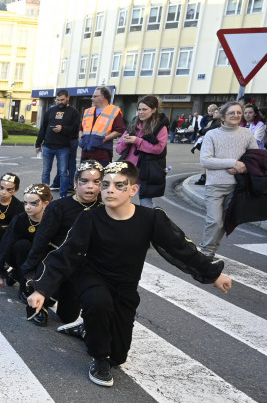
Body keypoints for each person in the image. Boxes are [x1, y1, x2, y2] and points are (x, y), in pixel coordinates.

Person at [27, 161, 232, 387]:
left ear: (134, 190)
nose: (109, 190)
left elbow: (181, 249)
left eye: (119, 185)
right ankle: (98, 358)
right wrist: (42, 288)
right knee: (98, 304)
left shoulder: (151, 218)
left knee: (119, 357)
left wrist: (212, 274)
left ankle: (90, 328)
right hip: (92, 278)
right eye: (105, 185)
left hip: (125, 286)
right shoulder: (89, 218)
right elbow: (66, 254)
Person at [20, 160, 103, 327]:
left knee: (68, 317)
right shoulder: (59, 206)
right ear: (75, 182)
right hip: (55, 261)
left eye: (96, 182)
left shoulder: (104, 207)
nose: (90, 187)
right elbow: (42, 238)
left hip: (82, 266)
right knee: (38, 301)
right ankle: (43, 299)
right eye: (84, 182)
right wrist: (30, 268)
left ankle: (55, 293)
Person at [198, 101, 259, 257]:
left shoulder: (247, 134)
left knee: (224, 223)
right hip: (215, 185)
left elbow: (255, 158)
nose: (236, 115)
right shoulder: (212, 134)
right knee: (214, 221)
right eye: (232, 113)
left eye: (239, 112)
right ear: (223, 117)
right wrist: (233, 163)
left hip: (237, 186)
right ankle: (205, 252)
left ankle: (209, 253)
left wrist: (243, 167)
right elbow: (205, 161)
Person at [0, 183, 53, 295]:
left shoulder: (51, 221)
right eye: (25, 203)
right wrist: (0, 272)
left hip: (39, 258)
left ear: (45, 204)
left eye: (33, 203)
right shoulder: (19, 219)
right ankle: (23, 286)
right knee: (23, 245)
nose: (27, 207)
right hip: (18, 255)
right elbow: (5, 244)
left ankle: (15, 274)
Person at [114, 95, 168, 208]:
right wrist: (125, 142)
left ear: (154, 110)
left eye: (144, 109)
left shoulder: (160, 127)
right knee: (118, 202)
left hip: (146, 173)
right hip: (128, 172)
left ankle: (147, 224)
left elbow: (158, 149)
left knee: (146, 205)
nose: (141, 112)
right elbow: (118, 149)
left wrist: (138, 141)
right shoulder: (133, 124)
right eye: (139, 109)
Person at [35, 90, 80, 198]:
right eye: (58, 100)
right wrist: (38, 144)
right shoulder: (50, 111)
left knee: (63, 172)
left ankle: (62, 196)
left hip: (63, 147)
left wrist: (62, 129)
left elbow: (75, 129)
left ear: (68, 98)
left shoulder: (73, 112)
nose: (60, 102)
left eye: (62, 100)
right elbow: (43, 128)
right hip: (47, 146)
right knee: (45, 172)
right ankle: (45, 195)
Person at [79, 86, 126, 166]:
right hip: (86, 153)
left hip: (102, 154)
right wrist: (82, 138)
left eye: (94, 96)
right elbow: (81, 128)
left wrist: (104, 139)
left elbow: (119, 130)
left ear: (102, 97)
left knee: (100, 177)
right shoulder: (88, 111)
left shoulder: (114, 111)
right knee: (84, 176)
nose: (92, 98)